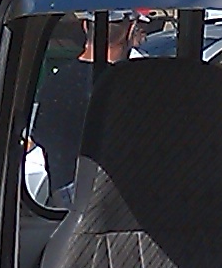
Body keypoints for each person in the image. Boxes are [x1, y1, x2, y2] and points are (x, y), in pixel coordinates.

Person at [26, 12, 142, 207]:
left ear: (85, 27)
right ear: (130, 31)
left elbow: (37, 139)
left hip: (64, 203)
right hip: (120, 202)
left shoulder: (54, 84)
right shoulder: (134, 88)